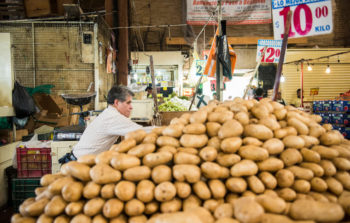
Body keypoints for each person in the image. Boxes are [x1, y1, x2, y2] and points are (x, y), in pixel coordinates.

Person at [61, 85, 152, 161]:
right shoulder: (113, 117)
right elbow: (141, 131)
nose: (131, 107)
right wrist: (165, 129)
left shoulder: (109, 113)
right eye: (128, 103)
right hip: (77, 165)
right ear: (116, 103)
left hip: (82, 161)